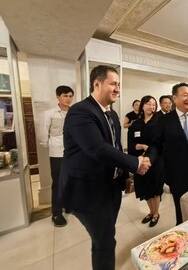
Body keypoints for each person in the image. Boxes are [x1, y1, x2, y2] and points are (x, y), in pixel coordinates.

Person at [59, 65, 150, 270]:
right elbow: (97, 149)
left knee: (107, 234)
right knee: (105, 242)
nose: (118, 88)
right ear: (97, 83)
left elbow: (115, 147)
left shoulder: (112, 115)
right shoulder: (80, 111)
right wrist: (135, 163)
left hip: (110, 187)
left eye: (119, 84)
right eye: (113, 84)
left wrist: (125, 175)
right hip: (88, 191)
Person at [146, 82, 188, 225]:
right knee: (180, 205)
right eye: (185, 95)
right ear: (175, 98)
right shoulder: (165, 120)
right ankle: (183, 230)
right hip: (177, 173)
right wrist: (148, 158)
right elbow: (156, 144)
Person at [39, 85, 74, 227]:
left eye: (71, 96)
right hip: (57, 152)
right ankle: (56, 213)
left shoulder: (74, 112)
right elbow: (43, 134)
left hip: (72, 152)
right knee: (58, 183)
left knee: (71, 180)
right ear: (58, 96)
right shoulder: (50, 113)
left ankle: (68, 205)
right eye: (65, 95)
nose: (68, 99)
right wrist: (52, 145)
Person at [129, 95, 164, 226]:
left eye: (154, 104)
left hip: (155, 161)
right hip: (140, 160)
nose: (152, 106)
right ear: (142, 105)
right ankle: (151, 212)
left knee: (155, 188)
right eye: (149, 103)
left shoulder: (160, 121)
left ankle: (156, 213)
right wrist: (142, 147)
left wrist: (148, 152)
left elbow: (160, 143)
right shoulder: (136, 124)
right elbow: (131, 143)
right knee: (145, 188)